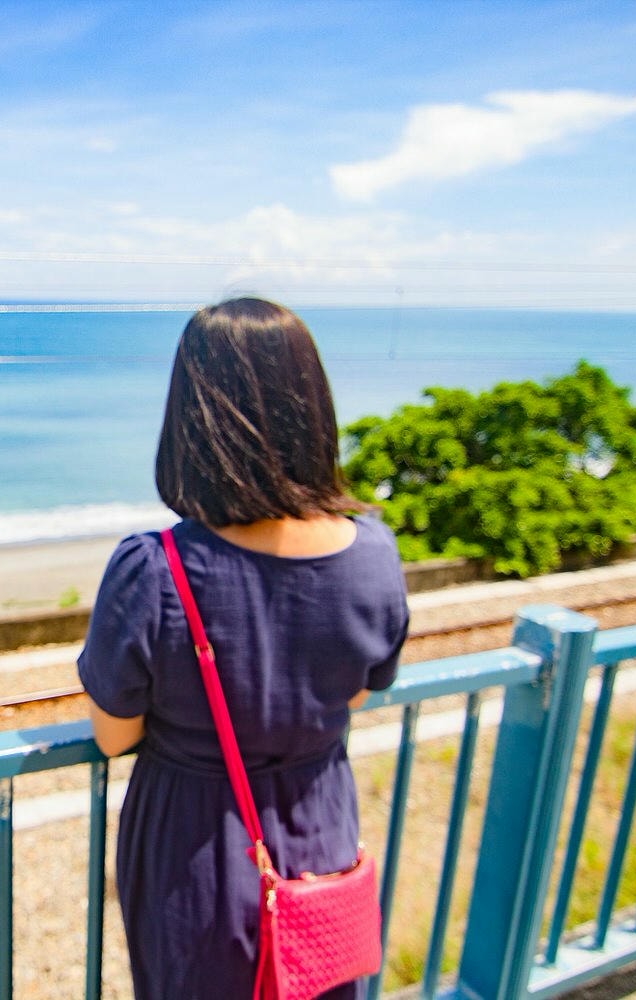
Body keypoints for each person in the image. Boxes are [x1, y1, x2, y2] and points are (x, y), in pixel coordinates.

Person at [77, 297, 409, 999]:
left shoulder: (155, 569)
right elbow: (356, 689)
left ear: (192, 419)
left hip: (195, 849)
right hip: (321, 833)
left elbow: (113, 737)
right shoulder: (374, 553)